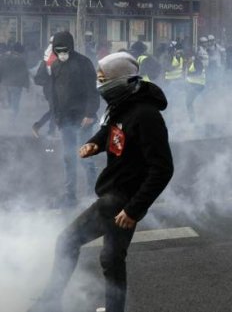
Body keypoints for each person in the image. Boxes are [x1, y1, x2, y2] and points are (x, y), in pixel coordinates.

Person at [28, 52, 174, 312]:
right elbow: (110, 130)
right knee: (112, 259)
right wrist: (94, 144)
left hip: (121, 199)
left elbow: (162, 169)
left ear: (120, 79)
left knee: (67, 241)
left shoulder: (146, 115)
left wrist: (134, 209)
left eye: (103, 78)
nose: (98, 83)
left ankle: (50, 304)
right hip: (116, 194)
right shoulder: (121, 105)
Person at [50, 31, 100, 207]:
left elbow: (93, 92)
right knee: (68, 157)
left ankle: (92, 194)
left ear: (70, 48)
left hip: (83, 119)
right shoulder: (55, 66)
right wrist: (56, 116)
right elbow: (54, 94)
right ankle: (70, 196)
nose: (62, 53)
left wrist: (89, 114)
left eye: (65, 50)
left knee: (85, 157)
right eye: (58, 50)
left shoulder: (84, 63)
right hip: (65, 120)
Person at [0, 42, 30, 119]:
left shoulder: (4, 58)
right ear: (21, 51)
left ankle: (8, 116)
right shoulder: (20, 59)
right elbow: (25, 73)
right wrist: (27, 85)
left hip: (6, 83)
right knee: (15, 103)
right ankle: (12, 119)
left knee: (9, 100)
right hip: (17, 85)